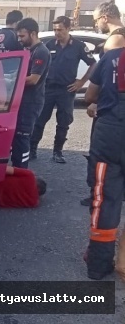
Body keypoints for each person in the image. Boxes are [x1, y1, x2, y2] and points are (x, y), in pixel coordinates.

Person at [29, 16, 97, 163]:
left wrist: (82, 82)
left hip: (67, 90)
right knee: (40, 120)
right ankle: (32, 148)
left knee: (64, 122)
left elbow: (93, 64)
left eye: (59, 29)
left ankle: (58, 152)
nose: (56, 33)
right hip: (48, 88)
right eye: (54, 30)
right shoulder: (49, 45)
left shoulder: (78, 46)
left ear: (68, 28)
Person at [83, 45, 125, 280]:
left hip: (109, 132)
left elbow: (90, 96)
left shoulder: (111, 56)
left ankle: (98, 265)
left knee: (105, 199)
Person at [81, 0, 125, 206]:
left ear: (105, 17)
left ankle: (98, 196)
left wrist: (97, 102)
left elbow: (111, 79)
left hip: (111, 111)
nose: (96, 24)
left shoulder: (115, 41)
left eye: (96, 19)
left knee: (103, 160)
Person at [11, 18, 50, 168]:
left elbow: (33, 79)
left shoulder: (41, 51)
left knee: (22, 138)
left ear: (33, 33)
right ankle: (16, 168)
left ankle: (21, 172)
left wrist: (11, 80)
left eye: (22, 36)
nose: (19, 40)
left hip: (31, 102)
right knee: (17, 138)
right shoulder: (28, 50)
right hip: (22, 100)